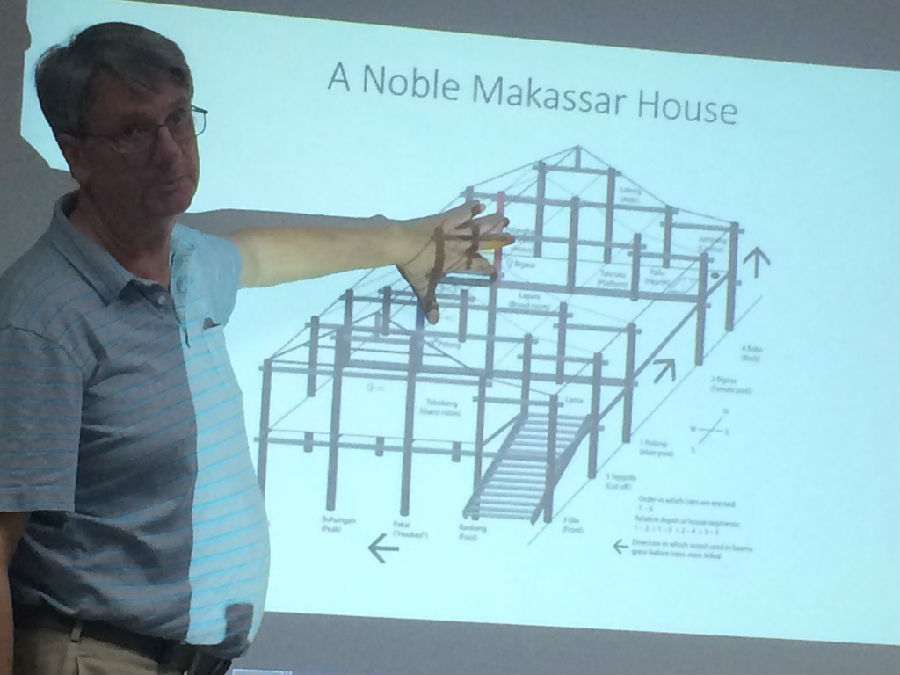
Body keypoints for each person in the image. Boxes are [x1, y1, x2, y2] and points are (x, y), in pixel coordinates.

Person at [0, 21, 510, 675]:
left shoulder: (184, 261)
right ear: (75, 153)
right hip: (95, 656)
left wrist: (401, 241)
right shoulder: (44, 321)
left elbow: (262, 255)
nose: (170, 153)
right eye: (134, 131)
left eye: (178, 119)